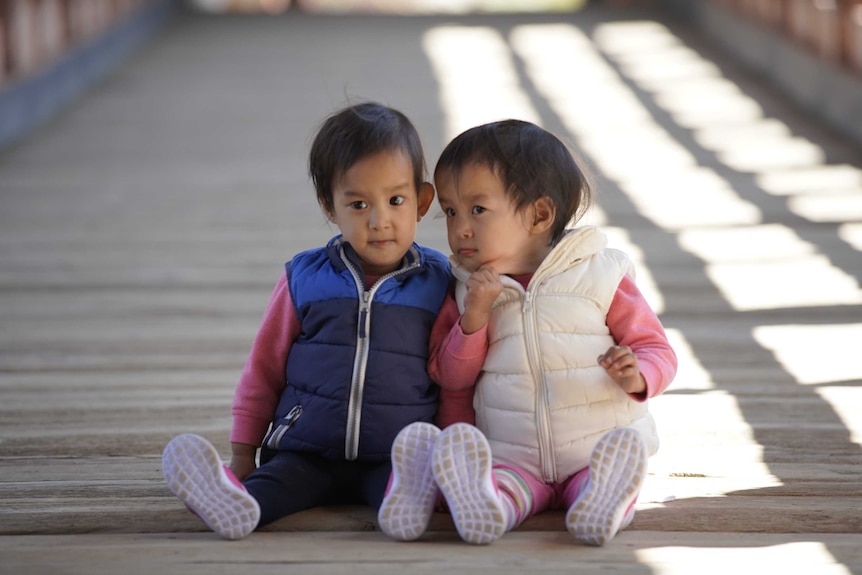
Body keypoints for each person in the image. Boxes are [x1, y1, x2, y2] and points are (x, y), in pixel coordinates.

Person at [377, 119, 677, 546]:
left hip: (593, 448)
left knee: (601, 474)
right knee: (500, 488)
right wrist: (474, 319)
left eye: (477, 210)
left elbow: (655, 348)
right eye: (450, 211)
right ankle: (485, 507)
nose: (460, 227)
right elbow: (451, 378)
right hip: (511, 456)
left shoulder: (599, 274)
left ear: (539, 214)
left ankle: (603, 499)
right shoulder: (464, 289)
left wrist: (639, 374)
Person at [161, 102, 451, 540]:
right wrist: (243, 455)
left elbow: (453, 374)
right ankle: (232, 502)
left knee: (400, 481)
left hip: (394, 451)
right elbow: (264, 369)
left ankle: (406, 504)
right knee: (275, 485)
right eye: (357, 204)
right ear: (329, 207)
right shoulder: (305, 278)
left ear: (422, 201)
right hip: (308, 449)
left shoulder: (439, 282)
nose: (379, 221)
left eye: (395, 200)